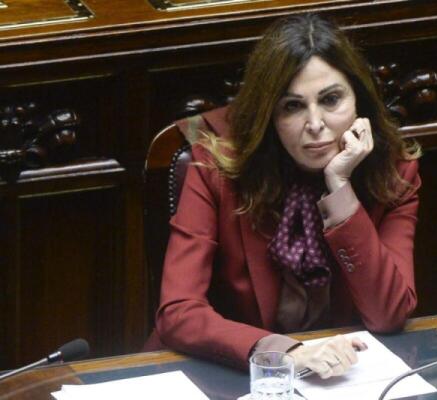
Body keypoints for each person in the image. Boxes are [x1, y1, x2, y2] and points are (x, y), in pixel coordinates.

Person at [144, 13, 421, 380]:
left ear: (359, 102)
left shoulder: (395, 171)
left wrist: (340, 188)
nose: (316, 124)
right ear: (269, 115)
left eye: (331, 99)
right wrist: (284, 352)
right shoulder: (215, 167)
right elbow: (178, 312)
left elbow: (389, 313)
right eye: (292, 106)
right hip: (229, 376)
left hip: (344, 379)